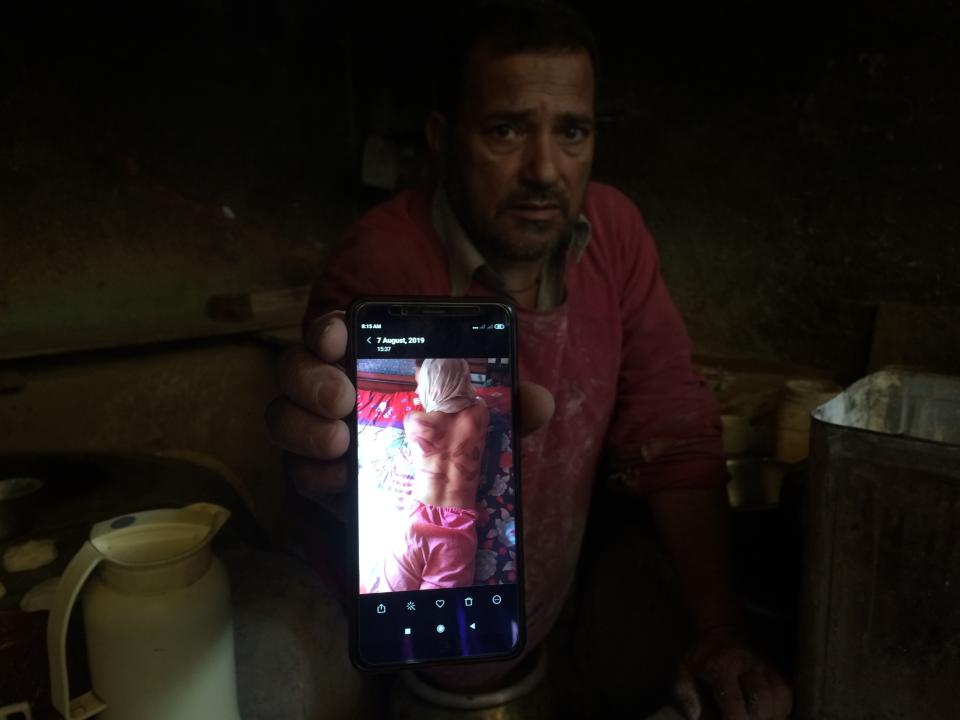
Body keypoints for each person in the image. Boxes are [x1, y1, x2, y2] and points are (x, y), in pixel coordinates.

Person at [265, 2, 793, 717]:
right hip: (411, 651)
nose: (545, 170)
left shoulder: (616, 235)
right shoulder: (383, 259)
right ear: (443, 141)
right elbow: (362, 492)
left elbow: (675, 432)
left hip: (546, 623)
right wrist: (335, 470)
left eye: (571, 132)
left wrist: (723, 633)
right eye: (506, 130)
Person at [374, 358, 490, 592]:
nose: (417, 390)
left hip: (416, 521)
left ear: (432, 384)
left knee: (390, 597)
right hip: (457, 530)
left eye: (420, 383)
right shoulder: (480, 413)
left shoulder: (415, 421)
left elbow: (434, 413)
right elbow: (472, 396)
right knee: (440, 613)